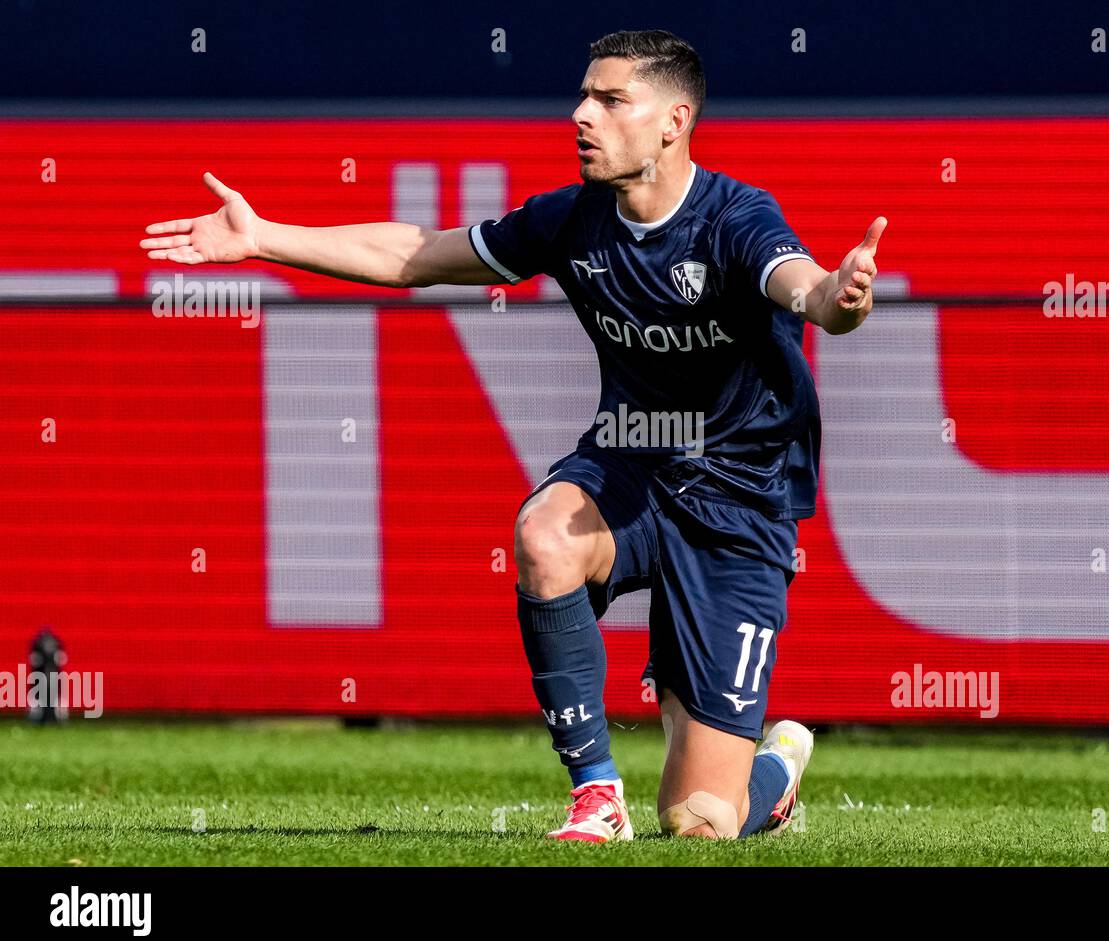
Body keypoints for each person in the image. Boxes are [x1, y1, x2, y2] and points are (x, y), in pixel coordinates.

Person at [140, 28, 886, 843]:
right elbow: (418, 255)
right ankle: (596, 795)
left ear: (674, 122)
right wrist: (265, 238)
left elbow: (803, 285)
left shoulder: (736, 218)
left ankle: (769, 772)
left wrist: (838, 300)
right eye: (583, 95)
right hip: (632, 462)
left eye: (610, 99)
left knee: (702, 821)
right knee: (542, 536)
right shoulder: (571, 221)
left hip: (741, 502)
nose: (581, 115)